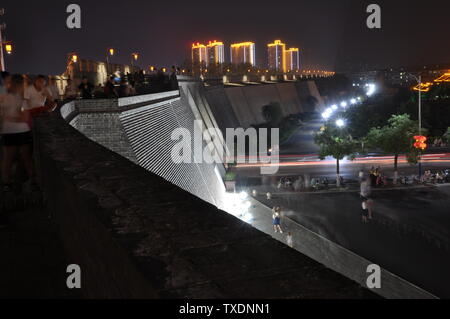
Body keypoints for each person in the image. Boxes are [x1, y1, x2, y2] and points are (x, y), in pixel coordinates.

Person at [0, 75, 38, 195]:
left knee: (8, 159)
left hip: (8, 131)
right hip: (21, 131)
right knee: (26, 157)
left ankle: (7, 184)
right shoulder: (22, 100)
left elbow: (5, 117)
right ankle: (32, 181)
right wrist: (17, 117)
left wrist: (9, 117)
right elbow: (25, 117)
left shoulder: (4, 98)